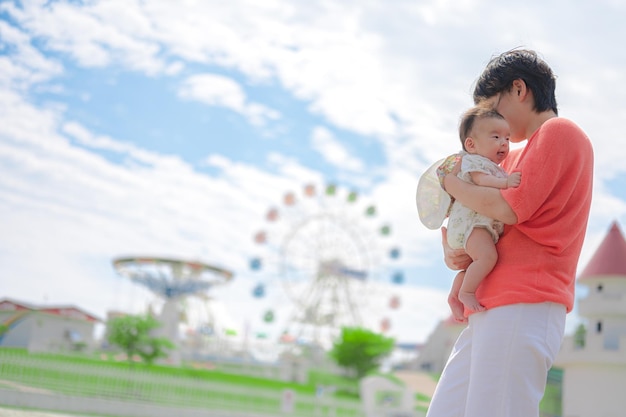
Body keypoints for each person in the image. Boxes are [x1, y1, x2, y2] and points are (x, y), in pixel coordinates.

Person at [425, 48, 593, 417]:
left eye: (494, 108)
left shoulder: (559, 132)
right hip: (493, 305)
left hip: (525, 302)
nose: (494, 124)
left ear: (519, 89)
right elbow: (475, 222)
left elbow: (508, 209)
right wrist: (454, 250)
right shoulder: (510, 160)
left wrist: (452, 184)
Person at [444, 107, 521, 317]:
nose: (504, 143)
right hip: (472, 224)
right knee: (487, 257)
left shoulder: (493, 165)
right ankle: (466, 292)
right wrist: (505, 183)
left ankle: (456, 292)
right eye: (496, 137)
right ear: (471, 144)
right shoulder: (473, 161)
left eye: (507, 137)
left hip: (477, 225)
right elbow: (481, 181)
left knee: (473, 263)